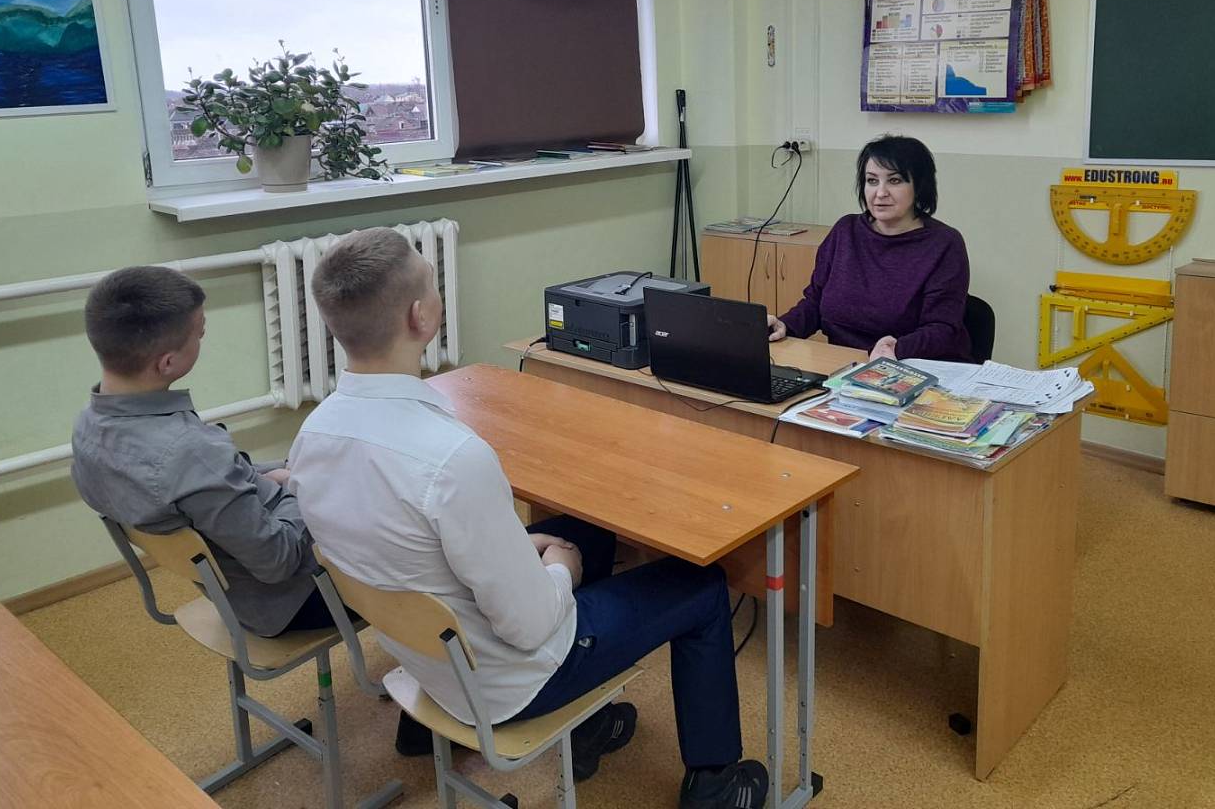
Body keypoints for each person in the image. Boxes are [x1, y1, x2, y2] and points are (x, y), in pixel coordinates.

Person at [288, 228, 770, 809]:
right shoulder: (453, 460)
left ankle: (576, 728)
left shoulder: (313, 436)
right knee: (702, 586)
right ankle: (716, 785)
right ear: (421, 316)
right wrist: (561, 568)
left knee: (585, 530)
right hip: (509, 682)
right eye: (432, 284)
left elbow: (407, 551)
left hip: (429, 659)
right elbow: (531, 626)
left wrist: (533, 548)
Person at [70, 266, 328, 637]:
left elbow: (211, 481)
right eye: (200, 333)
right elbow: (279, 560)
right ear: (168, 363)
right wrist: (295, 487)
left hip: (232, 591)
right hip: (294, 599)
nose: (202, 339)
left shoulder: (87, 427)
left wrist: (271, 474)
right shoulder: (190, 452)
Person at [768, 134, 973, 362]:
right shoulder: (845, 231)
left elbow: (942, 328)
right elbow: (815, 302)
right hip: (846, 365)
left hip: (916, 367)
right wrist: (785, 325)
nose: (880, 193)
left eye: (895, 180)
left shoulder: (944, 244)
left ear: (919, 185)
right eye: (872, 181)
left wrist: (898, 349)